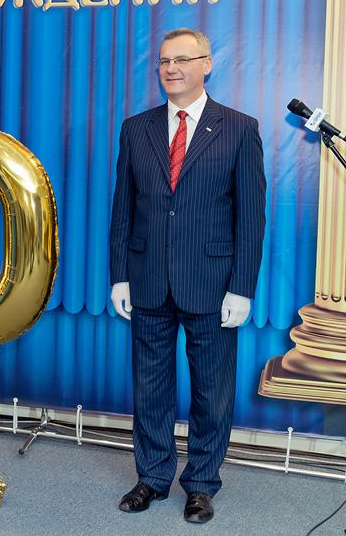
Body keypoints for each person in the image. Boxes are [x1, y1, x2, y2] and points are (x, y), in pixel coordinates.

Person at [109, 28, 265, 524]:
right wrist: (119, 275)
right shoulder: (136, 129)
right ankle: (152, 477)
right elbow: (123, 209)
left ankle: (201, 484)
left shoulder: (239, 128)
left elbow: (251, 217)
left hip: (213, 284)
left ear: (207, 64)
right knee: (149, 389)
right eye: (164, 61)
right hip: (148, 279)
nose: (171, 68)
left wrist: (242, 287)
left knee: (211, 393)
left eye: (182, 59)